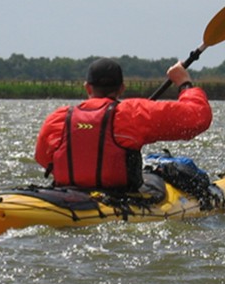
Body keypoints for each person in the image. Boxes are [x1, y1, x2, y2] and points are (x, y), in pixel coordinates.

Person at [34, 57, 212, 193]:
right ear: (121, 89)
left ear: (88, 88)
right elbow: (198, 117)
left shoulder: (58, 118)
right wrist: (184, 83)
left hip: (66, 196)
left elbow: (43, 158)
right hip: (120, 196)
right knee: (160, 174)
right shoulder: (131, 113)